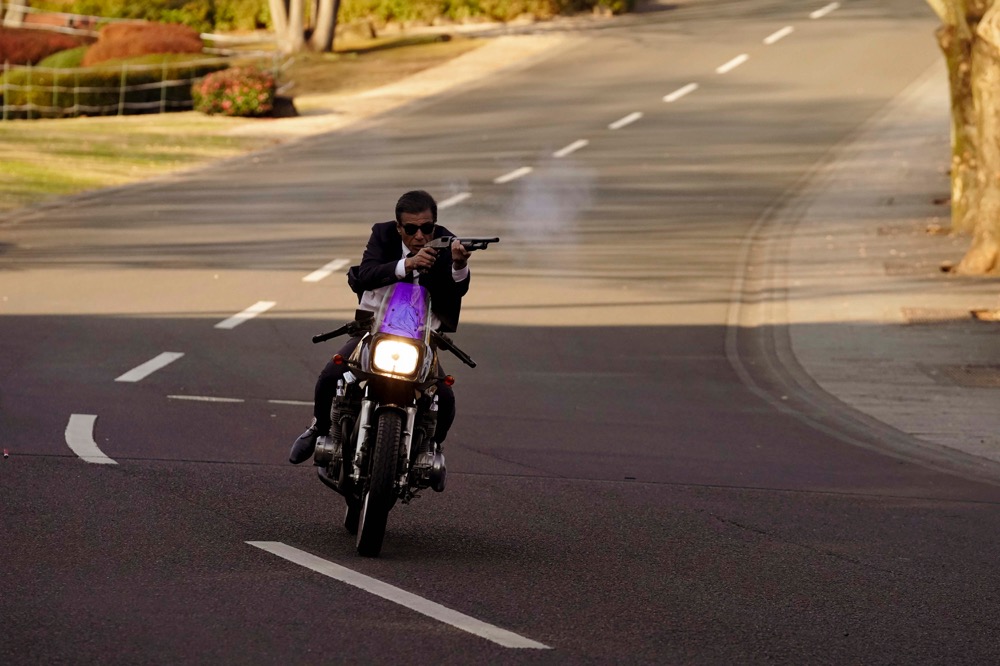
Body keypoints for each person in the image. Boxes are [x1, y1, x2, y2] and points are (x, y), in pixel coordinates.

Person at [289, 190, 472, 464]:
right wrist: (407, 264)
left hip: (421, 338)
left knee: (444, 396)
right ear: (399, 227)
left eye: (426, 228)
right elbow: (366, 274)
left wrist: (459, 264)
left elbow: (457, 291)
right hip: (375, 329)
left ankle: (430, 450)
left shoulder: (447, 242)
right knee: (332, 374)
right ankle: (319, 427)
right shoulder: (382, 235)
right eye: (411, 229)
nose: (420, 236)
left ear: (434, 225)